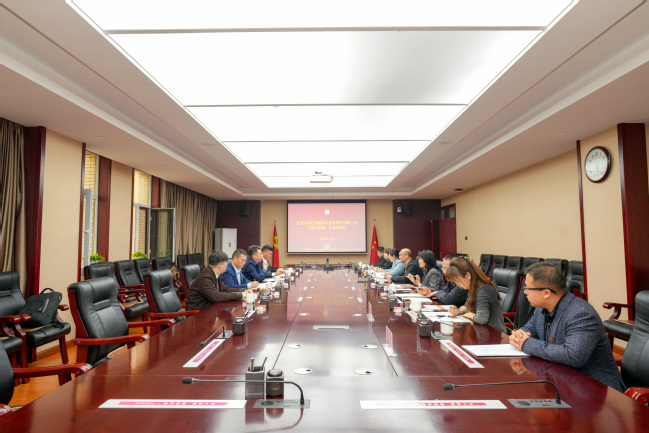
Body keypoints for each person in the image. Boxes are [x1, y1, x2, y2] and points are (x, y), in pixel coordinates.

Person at [509, 262, 625, 392]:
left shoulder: (581, 313)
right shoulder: (541, 309)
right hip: (562, 381)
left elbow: (573, 356)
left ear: (546, 293)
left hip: (596, 389)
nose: (525, 292)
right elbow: (527, 330)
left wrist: (526, 343)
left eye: (528, 288)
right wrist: (517, 337)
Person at [445, 257, 507, 333]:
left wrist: (470, 315)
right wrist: (459, 311)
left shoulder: (483, 289)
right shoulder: (473, 286)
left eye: (458, 281)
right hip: (481, 331)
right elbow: (467, 306)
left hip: (494, 333)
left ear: (468, 275)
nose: (457, 284)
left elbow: (482, 319)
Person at [186, 250, 253, 310]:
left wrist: (243, 290)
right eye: (226, 264)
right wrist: (240, 295)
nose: (227, 266)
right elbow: (216, 296)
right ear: (220, 266)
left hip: (211, 309)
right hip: (199, 313)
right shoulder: (205, 277)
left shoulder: (214, 273)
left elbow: (226, 289)